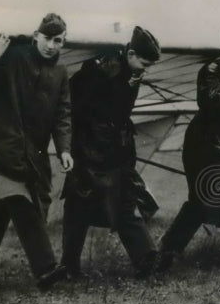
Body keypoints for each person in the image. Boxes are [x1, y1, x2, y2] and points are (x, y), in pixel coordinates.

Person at [0, 13, 73, 296]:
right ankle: (46, 268)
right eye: (46, 38)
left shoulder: (61, 73)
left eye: (57, 40)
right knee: (20, 202)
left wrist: (64, 149)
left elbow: (62, 114)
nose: (51, 45)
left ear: (63, 42)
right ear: (36, 36)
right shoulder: (12, 57)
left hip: (28, 156)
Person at [156, 23, 220, 271]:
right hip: (204, 142)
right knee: (201, 199)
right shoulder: (211, 70)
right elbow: (214, 102)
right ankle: (167, 251)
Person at [60, 26, 162, 279]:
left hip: (112, 149)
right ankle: (70, 265)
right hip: (91, 150)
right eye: (143, 62)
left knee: (120, 201)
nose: (144, 68)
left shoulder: (128, 71)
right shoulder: (103, 69)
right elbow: (82, 108)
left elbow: (120, 111)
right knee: (83, 205)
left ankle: (145, 259)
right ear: (130, 53)